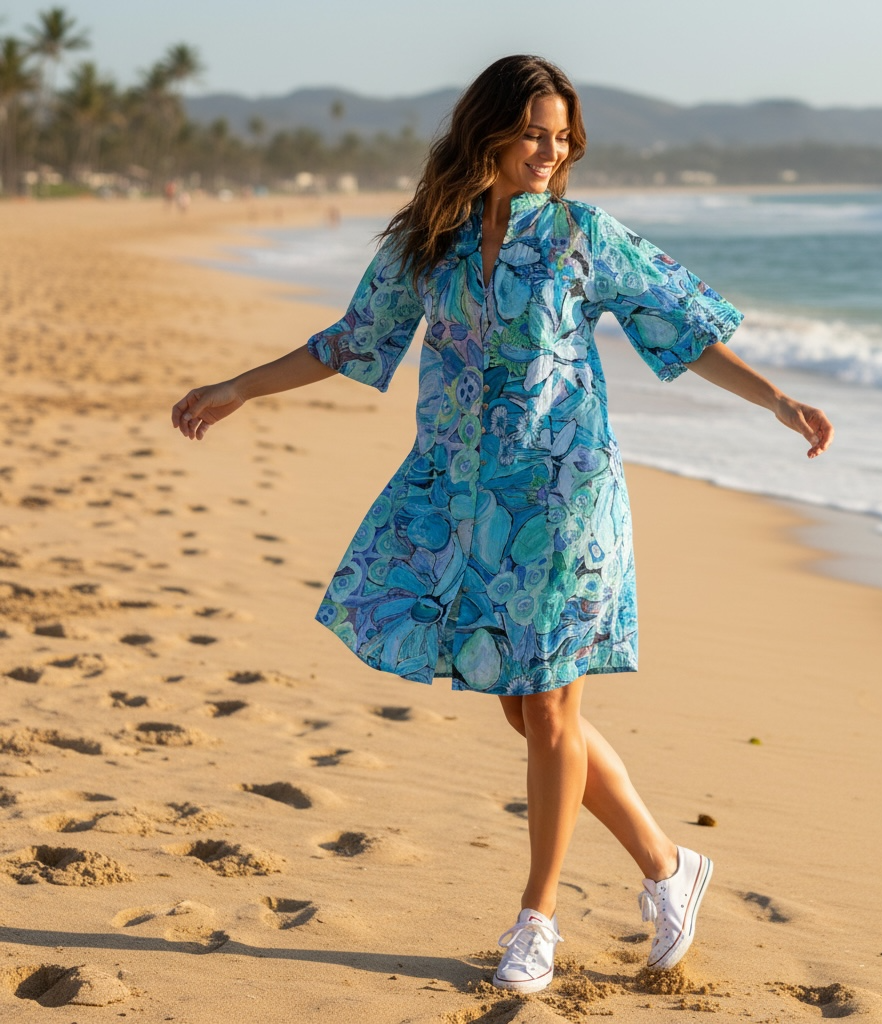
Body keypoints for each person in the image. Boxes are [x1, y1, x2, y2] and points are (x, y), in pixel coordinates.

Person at [171, 54, 833, 995]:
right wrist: (238, 387)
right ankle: (669, 866)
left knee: (552, 705)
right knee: (525, 707)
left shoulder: (579, 235)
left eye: (563, 139)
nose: (551, 152)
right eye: (535, 134)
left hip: (563, 494)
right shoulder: (430, 242)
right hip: (460, 495)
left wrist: (776, 400)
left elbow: (679, 323)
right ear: (486, 132)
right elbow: (353, 342)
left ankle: (538, 919)